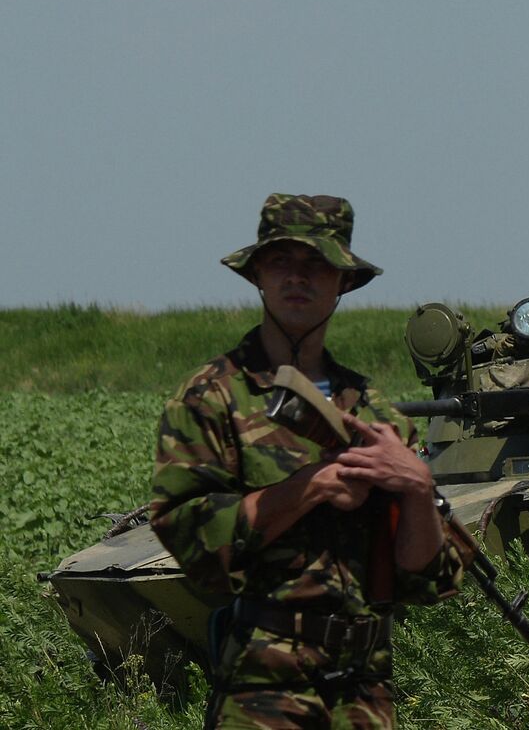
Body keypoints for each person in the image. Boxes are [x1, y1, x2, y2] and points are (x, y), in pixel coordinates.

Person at [150, 194, 470, 729]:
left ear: (343, 281)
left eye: (317, 265)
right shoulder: (212, 398)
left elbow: (423, 578)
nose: (298, 278)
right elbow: (193, 540)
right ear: (257, 276)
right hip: (264, 689)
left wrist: (415, 486)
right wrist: (314, 486)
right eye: (281, 262)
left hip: (364, 690)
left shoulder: (374, 413)